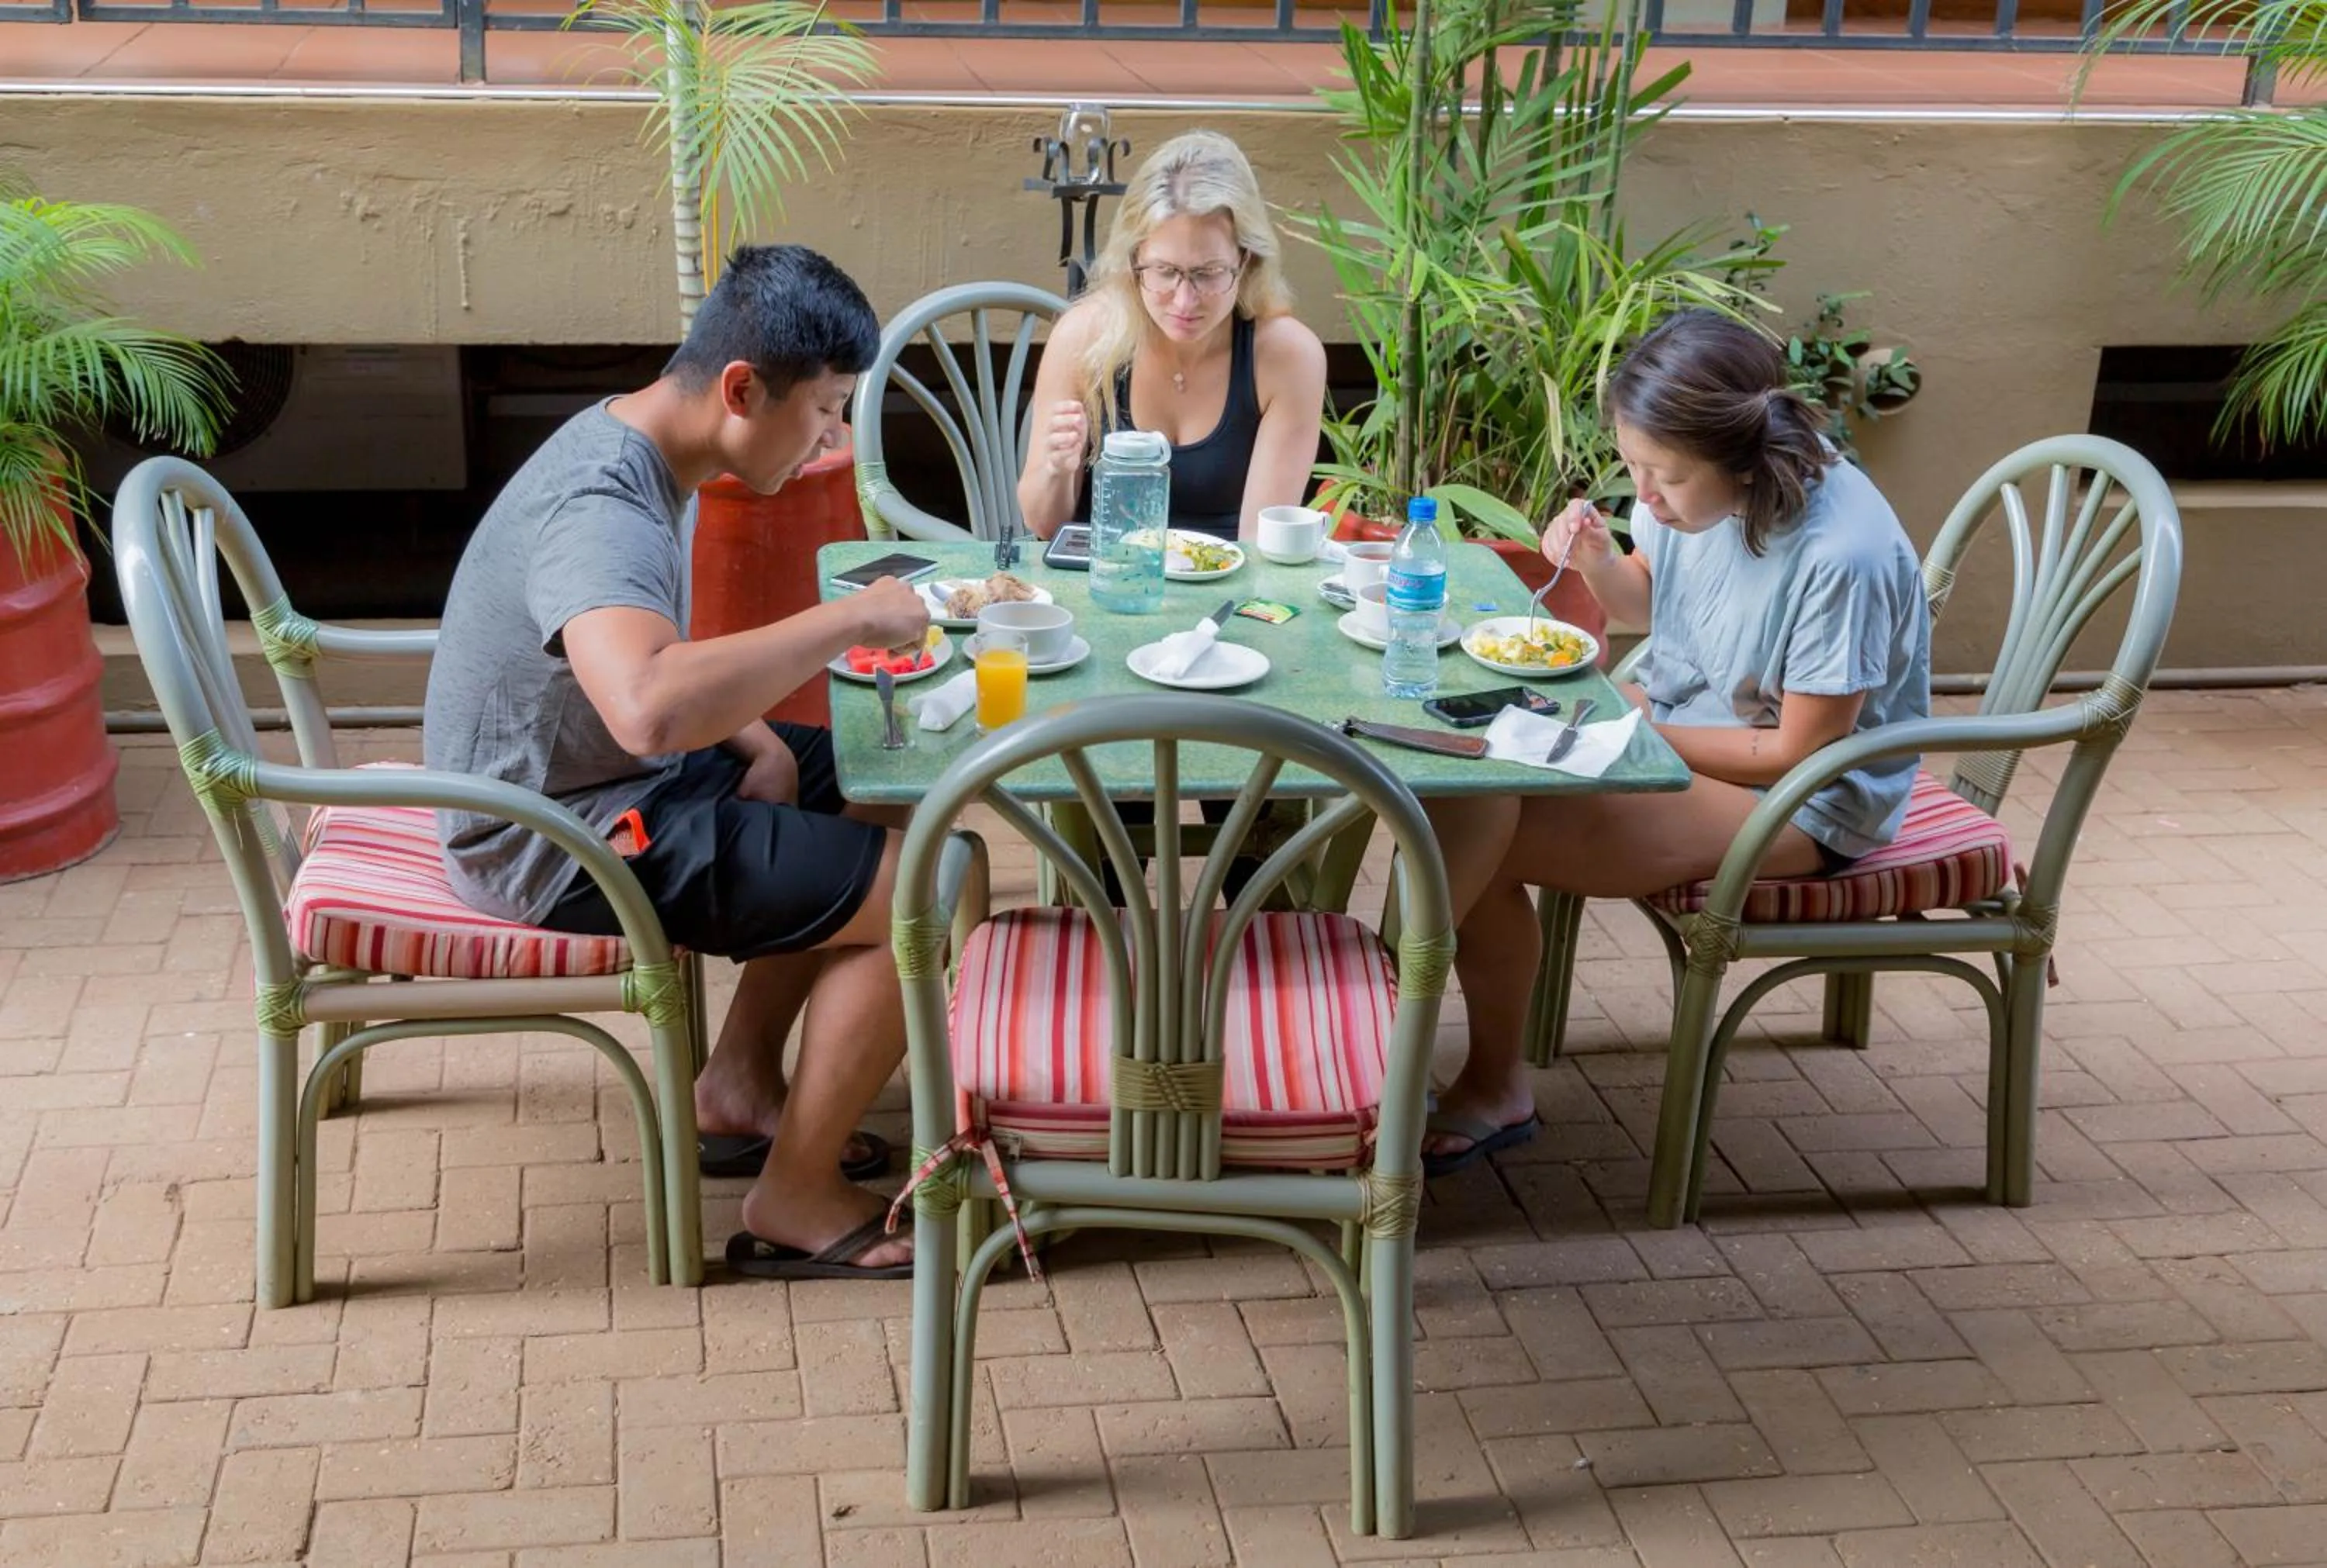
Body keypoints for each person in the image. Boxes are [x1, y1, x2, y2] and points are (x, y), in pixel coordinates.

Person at [423, 243, 928, 1280]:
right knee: (925, 895)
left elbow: (631, 655)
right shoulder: (602, 505)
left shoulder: (659, 444)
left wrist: (747, 736)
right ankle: (794, 1194)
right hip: (562, 834)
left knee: (886, 779)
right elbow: (649, 705)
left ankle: (739, 1087)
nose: (832, 435)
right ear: (742, 387)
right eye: (826, 409)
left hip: (601, 773)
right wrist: (849, 618)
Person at [1419, 309, 1933, 1177]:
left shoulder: (1841, 555)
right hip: (1686, 725)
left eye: (1665, 478)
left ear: (1747, 458)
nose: (1644, 496)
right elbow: (1647, 607)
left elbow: (1796, 755)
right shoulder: (1691, 481)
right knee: (1457, 761)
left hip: (1807, 799)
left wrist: (1636, 733)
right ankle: (1402, 1023)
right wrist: (1593, 561)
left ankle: (1442, 1054)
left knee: (1482, 823)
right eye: (1632, 468)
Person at [1017, 129, 1327, 542]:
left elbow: (1259, 547)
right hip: (1103, 582)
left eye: (1208, 273)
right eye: (1164, 271)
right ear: (1134, 260)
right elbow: (1044, 526)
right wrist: (1057, 469)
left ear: (1246, 260)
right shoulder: (1085, 337)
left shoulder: (1287, 356)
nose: (1184, 301)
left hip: (1226, 590)